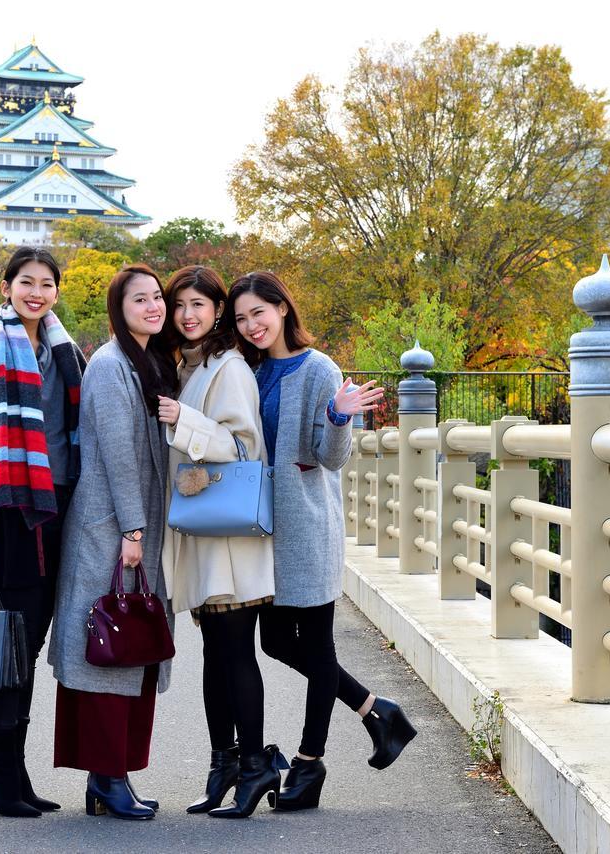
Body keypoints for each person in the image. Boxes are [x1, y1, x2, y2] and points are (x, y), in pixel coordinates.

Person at [228, 270, 418, 812]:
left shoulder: (319, 370)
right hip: (259, 525)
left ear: (283, 309)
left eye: (258, 313)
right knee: (273, 642)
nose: (251, 325)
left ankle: (310, 766)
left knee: (313, 644)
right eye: (241, 319)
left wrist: (338, 416)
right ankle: (377, 711)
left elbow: (332, 458)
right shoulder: (249, 368)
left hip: (307, 524)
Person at [48, 264, 177, 821]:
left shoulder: (147, 360)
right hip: (113, 528)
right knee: (110, 648)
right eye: (139, 299)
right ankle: (107, 777)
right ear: (118, 309)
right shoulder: (108, 363)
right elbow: (119, 452)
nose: (152, 306)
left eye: (156, 298)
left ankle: (112, 777)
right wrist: (132, 530)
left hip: (135, 525)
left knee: (130, 648)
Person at [0, 246, 85, 818]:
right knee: (15, 642)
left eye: (46, 284)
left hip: (63, 508)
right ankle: (4, 769)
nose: (36, 292)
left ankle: (10, 766)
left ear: (56, 292)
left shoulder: (66, 353)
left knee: (32, 642)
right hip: (14, 515)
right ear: (6, 287)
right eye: (26, 282)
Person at [156, 266, 281, 819]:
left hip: (229, 537)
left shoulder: (227, 367)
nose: (187, 314)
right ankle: (223, 764)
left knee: (235, 655)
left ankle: (254, 766)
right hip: (203, 534)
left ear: (216, 311)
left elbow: (243, 447)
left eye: (198, 305)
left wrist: (185, 420)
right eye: (179, 304)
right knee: (213, 657)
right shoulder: (185, 367)